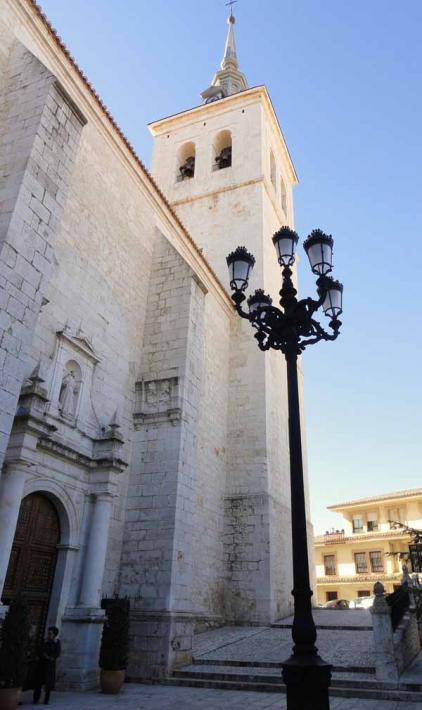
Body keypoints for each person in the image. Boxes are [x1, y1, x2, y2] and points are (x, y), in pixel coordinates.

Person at [33, 626, 61, 705]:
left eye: (50, 633)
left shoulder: (57, 642)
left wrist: (51, 657)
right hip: (42, 664)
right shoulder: (44, 641)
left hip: (50, 665)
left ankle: (46, 700)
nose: (48, 635)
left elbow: (57, 653)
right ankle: (36, 698)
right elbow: (40, 650)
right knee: (38, 682)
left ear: (54, 634)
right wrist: (44, 655)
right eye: (48, 633)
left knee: (48, 683)